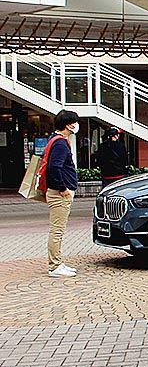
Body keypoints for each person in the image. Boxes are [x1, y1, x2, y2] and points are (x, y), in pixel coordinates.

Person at [44, 110, 81, 278]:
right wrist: (63, 188)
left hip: (58, 192)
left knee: (58, 229)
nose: (76, 124)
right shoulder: (60, 143)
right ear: (68, 125)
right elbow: (54, 168)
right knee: (57, 230)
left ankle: (57, 263)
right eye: (74, 122)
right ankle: (55, 266)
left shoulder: (55, 139)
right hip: (60, 194)